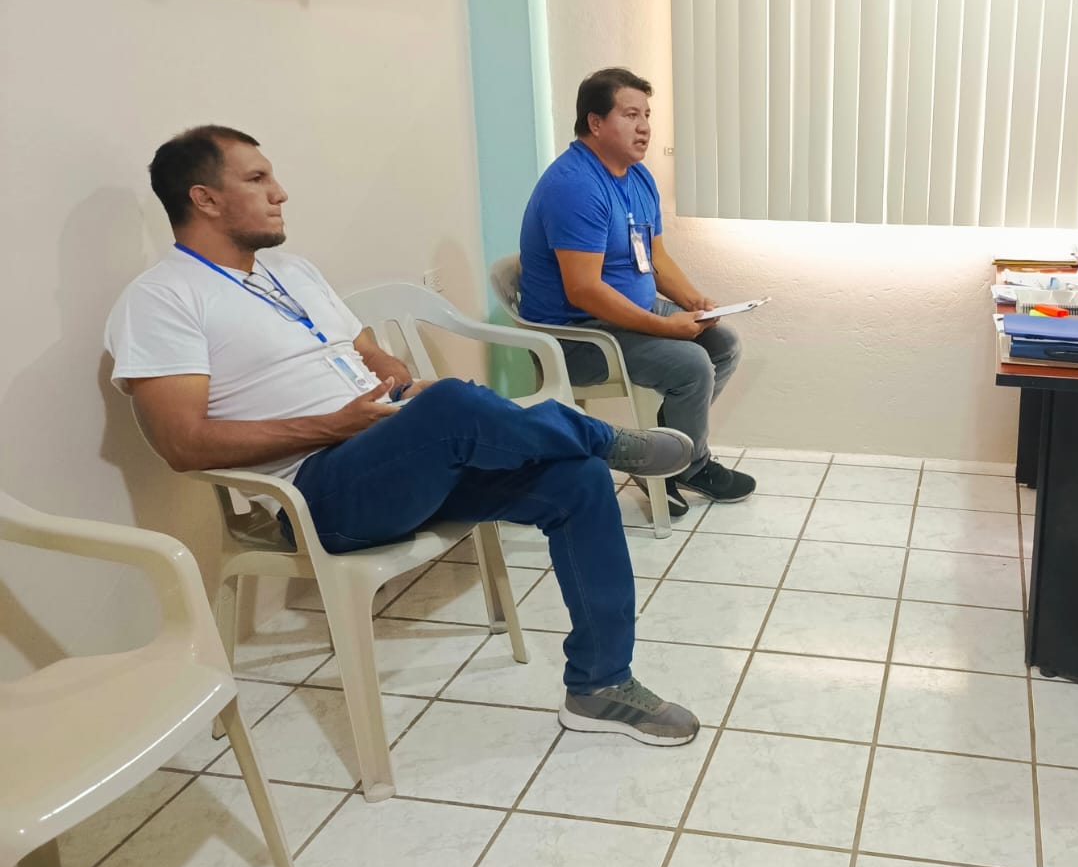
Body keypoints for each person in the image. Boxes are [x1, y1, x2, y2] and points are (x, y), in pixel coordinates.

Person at [106, 125, 701, 746]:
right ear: (204, 199)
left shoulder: (291, 271)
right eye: (257, 179)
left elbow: (365, 350)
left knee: (576, 480)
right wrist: (336, 424)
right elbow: (182, 444)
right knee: (455, 404)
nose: (279, 192)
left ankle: (601, 685)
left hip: (394, 457)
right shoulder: (162, 299)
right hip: (318, 494)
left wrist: (399, 383)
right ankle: (602, 437)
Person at [519, 67, 754, 516]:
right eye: (630, 115)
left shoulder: (637, 177)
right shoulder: (575, 186)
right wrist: (665, 327)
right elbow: (584, 291)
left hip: (626, 316)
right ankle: (687, 463)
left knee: (722, 343)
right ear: (595, 122)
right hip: (575, 336)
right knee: (691, 364)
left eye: (646, 115)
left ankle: (664, 453)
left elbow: (656, 256)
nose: (644, 126)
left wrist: (692, 301)